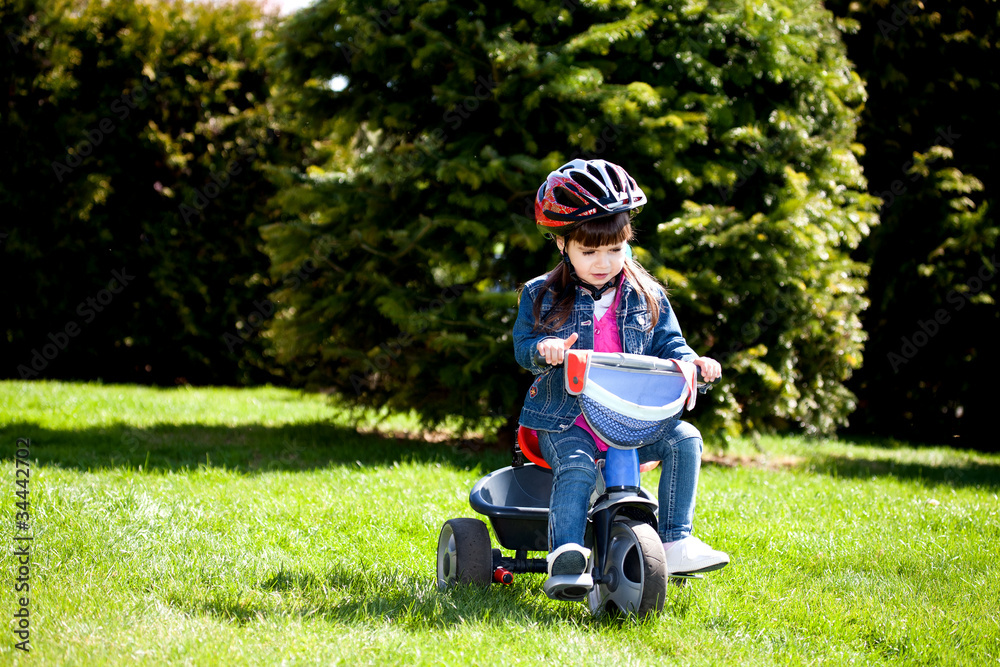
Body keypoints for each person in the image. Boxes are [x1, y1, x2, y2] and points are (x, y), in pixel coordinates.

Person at [512, 158, 729, 599]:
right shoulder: (541, 294)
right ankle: (567, 555)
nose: (602, 262)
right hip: (567, 420)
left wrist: (695, 362)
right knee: (574, 466)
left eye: (613, 249)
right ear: (562, 244)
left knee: (684, 438)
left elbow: (672, 345)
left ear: (627, 241)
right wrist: (544, 349)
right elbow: (523, 347)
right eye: (589, 252)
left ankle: (674, 538)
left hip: (630, 417)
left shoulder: (648, 295)